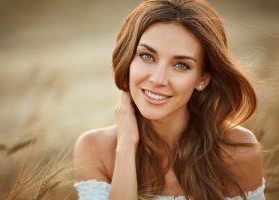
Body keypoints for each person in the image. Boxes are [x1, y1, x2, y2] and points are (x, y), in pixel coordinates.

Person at [73, 0, 265, 199]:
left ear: (202, 79)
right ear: (128, 59)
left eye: (181, 65)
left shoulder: (237, 151)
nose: (157, 79)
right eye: (147, 56)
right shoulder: (94, 149)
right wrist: (126, 147)